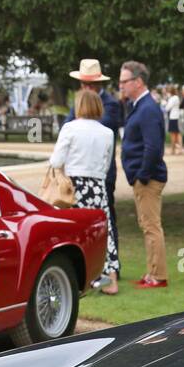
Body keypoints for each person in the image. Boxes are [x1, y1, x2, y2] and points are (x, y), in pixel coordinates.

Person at [50, 89, 120, 293]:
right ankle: (111, 279)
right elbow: (107, 165)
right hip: (97, 187)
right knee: (102, 233)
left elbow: (56, 160)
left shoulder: (70, 128)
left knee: (72, 231)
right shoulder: (107, 133)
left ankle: (74, 277)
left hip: (75, 187)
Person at [66, 59, 123, 287]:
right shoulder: (78, 103)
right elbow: (69, 125)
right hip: (78, 175)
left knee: (106, 220)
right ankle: (88, 270)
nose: (86, 87)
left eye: (89, 83)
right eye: (83, 83)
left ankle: (111, 269)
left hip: (100, 174)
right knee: (80, 223)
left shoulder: (111, 104)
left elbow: (97, 129)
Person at [118, 61, 169, 289]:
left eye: (124, 81)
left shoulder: (147, 108)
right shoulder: (140, 105)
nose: (121, 86)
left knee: (151, 226)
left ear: (138, 82)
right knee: (146, 225)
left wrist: (142, 176)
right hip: (142, 177)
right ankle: (151, 272)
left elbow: (153, 147)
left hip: (148, 179)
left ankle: (158, 276)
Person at [164, 86, 183, 155]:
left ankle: (173, 150)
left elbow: (167, 108)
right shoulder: (176, 97)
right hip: (176, 116)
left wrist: (164, 106)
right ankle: (180, 149)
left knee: (173, 134)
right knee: (177, 134)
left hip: (173, 117)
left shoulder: (172, 98)